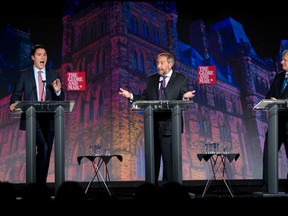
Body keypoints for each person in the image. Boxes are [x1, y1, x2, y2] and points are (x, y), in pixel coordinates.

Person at [119, 52, 195, 184]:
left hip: (171, 126)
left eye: (161, 63)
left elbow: (182, 96)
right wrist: (131, 96)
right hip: (152, 126)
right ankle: (151, 188)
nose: (158, 66)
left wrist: (185, 97)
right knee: (152, 160)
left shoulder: (181, 79)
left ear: (170, 64)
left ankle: (169, 188)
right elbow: (144, 98)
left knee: (169, 161)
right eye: (157, 63)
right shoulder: (151, 79)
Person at [9, 44, 65, 184]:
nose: (43, 57)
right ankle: (36, 184)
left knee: (46, 153)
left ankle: (39, 184)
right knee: (44, 148)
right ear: (33, 57)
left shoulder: (53, 74)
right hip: (32, 119)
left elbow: (61, 97)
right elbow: (16, 95)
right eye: (39, 54)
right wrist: (14, 103)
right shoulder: (24, 75)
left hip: (51, 120)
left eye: (45, 54)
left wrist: (58, 91)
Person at [262, 49, 288, 192]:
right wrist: (271, 99)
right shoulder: (278, 77)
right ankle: (268, 187)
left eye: (284, 60)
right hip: (275, 122)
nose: (281, 62)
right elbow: (269, 95)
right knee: (268, 156)